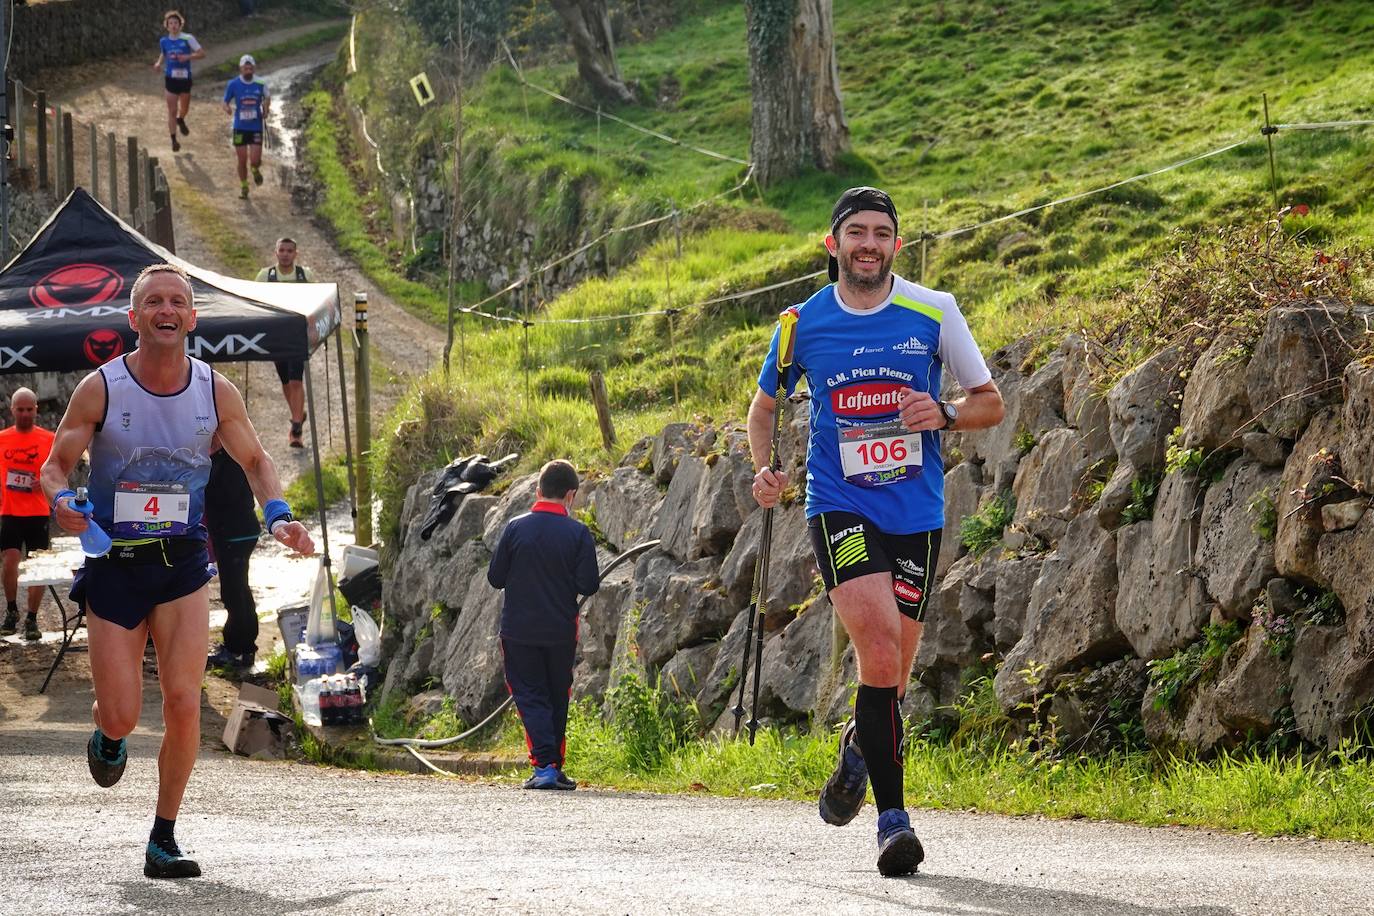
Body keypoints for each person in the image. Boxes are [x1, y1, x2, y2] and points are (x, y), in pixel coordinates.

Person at [749, 187, 1004, 877]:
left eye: (882, 233)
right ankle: (894, 824)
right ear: (833, 244)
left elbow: (990, 404)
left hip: (916, 513)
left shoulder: (934, 310)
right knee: (882, 652)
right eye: (856, 232)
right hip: (838, 504)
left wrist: (945, 415)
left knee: (891, 676)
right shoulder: (801, 324)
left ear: (896, 244)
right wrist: (765, 470)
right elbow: (764, 408)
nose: (869, 244)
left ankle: (861, 747)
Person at [40, 263, 314, 880]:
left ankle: (162, 837)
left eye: (177, 302)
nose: (166, 310)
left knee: (185, 701)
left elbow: (256, 460)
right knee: (122, 714)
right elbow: (55, 467)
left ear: (191, 319)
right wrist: (60, 502)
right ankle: (108, 734)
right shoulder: (102, 388)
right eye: (153, 302)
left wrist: (279, 516)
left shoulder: (215, 391)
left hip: (182, 561)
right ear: (134, 318)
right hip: (116, 563)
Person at [486, 459, 599, 791]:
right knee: (556, 695)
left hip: (518, 631)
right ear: (571, 496)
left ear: (537, 491)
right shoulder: (578, 534)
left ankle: (546, 766)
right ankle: (553, 765)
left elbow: (495, 578)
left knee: (530, 694)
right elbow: (589, 584)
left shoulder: (515, 528)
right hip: (560, 631)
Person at [0, 388, 55, 642]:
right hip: (10, 512)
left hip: (38, 513)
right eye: (20, 409)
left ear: (36, 409)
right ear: (12, 409)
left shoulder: (49, 439)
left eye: (29, 409)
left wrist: (43, 481)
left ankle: (32, 618)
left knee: (37, 567)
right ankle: (11, 610)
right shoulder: (2, 438)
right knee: (10, 561)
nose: (24, 414)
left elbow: (60, 469)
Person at [204, 437, 262, 670]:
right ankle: (245, 646)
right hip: (239, 531)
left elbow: (220, 496)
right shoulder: (233, 457)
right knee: (240, 590)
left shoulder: (227, 462)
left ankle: (237, 647)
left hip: (234, 534)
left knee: (233, 592)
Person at [253, 238, 315, 448]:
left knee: (296, 381)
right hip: (276, 335)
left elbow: (315, 303)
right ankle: (297, 413)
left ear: (296, 254)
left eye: (289, 251)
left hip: (298, 335)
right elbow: (253, 303)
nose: (286, 254)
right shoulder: (265, 276)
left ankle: (296, 431)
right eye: (282, 250)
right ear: (276, 252)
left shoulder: (305, 276)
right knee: (286, 381)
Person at [151, 10, 204, 153]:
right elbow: (164, 53)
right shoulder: (164, 41)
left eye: (176, 23)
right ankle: (174, 140)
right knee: (172, 110)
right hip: (171, 79)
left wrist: (187, 57)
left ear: (180, 25)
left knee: (184, 108)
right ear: (167, 26)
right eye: (171, 23)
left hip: (185, 79)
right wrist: (158, 63)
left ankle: (181, 119)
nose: (173, 25)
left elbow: (202, 54)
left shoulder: (188, 38)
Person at [222, 55, 269, 200]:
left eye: (250, 67)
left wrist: (266, 108)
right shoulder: (233, 84)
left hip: (256, 127)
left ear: (254, 68)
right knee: (242, 160)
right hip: (240, 127)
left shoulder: (261, 83)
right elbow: (225, 101)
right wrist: (227, 108)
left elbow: (267, 97)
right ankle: (244, 186)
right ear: (241, 68)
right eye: (245, 67)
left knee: (255, 160)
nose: (248, 69)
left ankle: (255, 169)